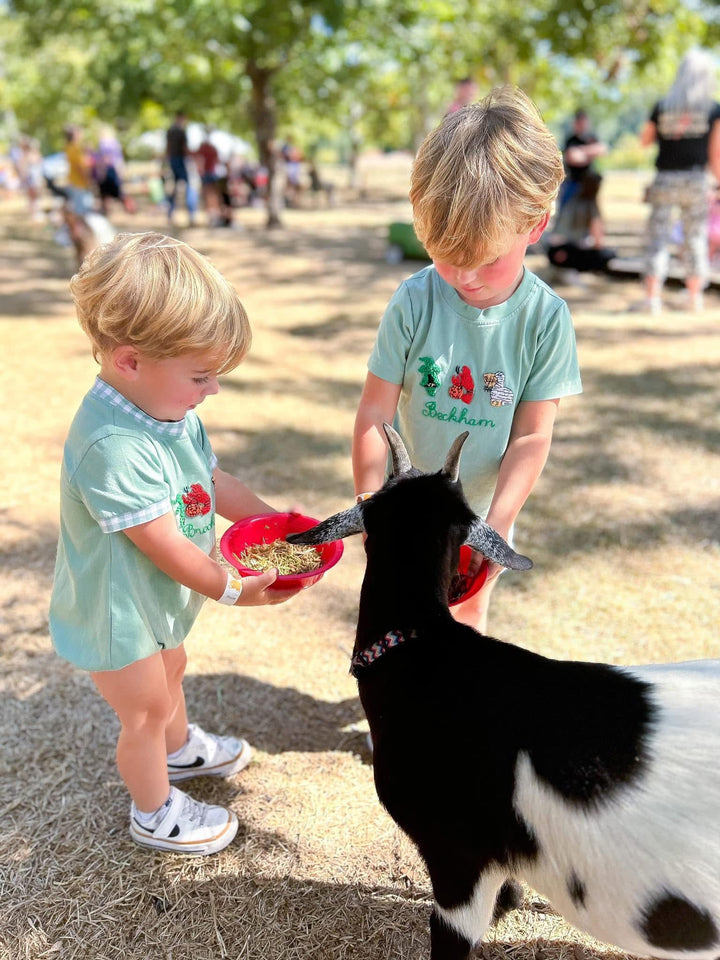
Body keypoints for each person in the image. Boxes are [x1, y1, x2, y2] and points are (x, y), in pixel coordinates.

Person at [49, 232, 302, 856]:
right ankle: (154, 810)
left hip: (151, 604)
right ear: (129, 361)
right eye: (200, 376)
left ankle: (180, 749)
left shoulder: (168, 409)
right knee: (143, 709)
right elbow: (163, 543)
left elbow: (212, 482)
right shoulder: (113, 445)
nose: (211, 391)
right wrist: (235, 588)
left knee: (174, 670)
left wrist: (284, 526)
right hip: (117, 615)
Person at [352, 87, 582, 633]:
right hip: (407, 514)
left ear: (536, 226)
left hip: (482, 516)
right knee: (396, 619)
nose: (464, 277)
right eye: (446, 257)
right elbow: (373, 416)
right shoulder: (414, 300)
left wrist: (498, 522)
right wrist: (367, 501)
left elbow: (531, 436)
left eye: (484, 261)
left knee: (467, 618)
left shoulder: (545, 320)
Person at [637, 48, 720, 314]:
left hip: (665, 179)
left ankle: (653, 299)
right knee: (695, 236)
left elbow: (644, 140)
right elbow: (715, 155)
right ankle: (694, 297)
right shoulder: (713, 109)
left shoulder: (662, 106)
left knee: (657, 237)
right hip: (696, 180)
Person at [546, 171, 616, 280]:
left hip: (553, 250)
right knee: (608, 255)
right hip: (567, 251)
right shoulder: (590, 205)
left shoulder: (571, 201)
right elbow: (598, 240)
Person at [558, 109, 606, 210]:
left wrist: (582, 151)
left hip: (589, 183)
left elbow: (602, 149)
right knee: (566, 211)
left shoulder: (591, 138)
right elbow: (573, 157)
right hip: (573, 182)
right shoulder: (571, 139)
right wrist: (590, 153)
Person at [165, 111, 197, 226]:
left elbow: (167, 148)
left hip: (172, 160)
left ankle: (170, 215)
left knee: (173, 189)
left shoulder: (169, 131)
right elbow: (185, 148)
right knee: (189, 188)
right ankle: (192, 215)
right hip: (181, 161)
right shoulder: (181, 131)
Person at [63, 125, 95, 215]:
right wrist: (87, 179)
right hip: (78, 182)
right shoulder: (74, 148)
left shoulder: (73, 148)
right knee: (82, 210)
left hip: (76, 181)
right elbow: (80, 167)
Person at [195, 126, 222, 226]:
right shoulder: (213, 148)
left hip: (206, 174)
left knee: (208, 196)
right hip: (212, 173)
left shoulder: (203, 147)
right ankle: (214, 216)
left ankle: (211, 217)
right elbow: (218, 161)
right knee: (213, 195)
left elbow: (198, 160)